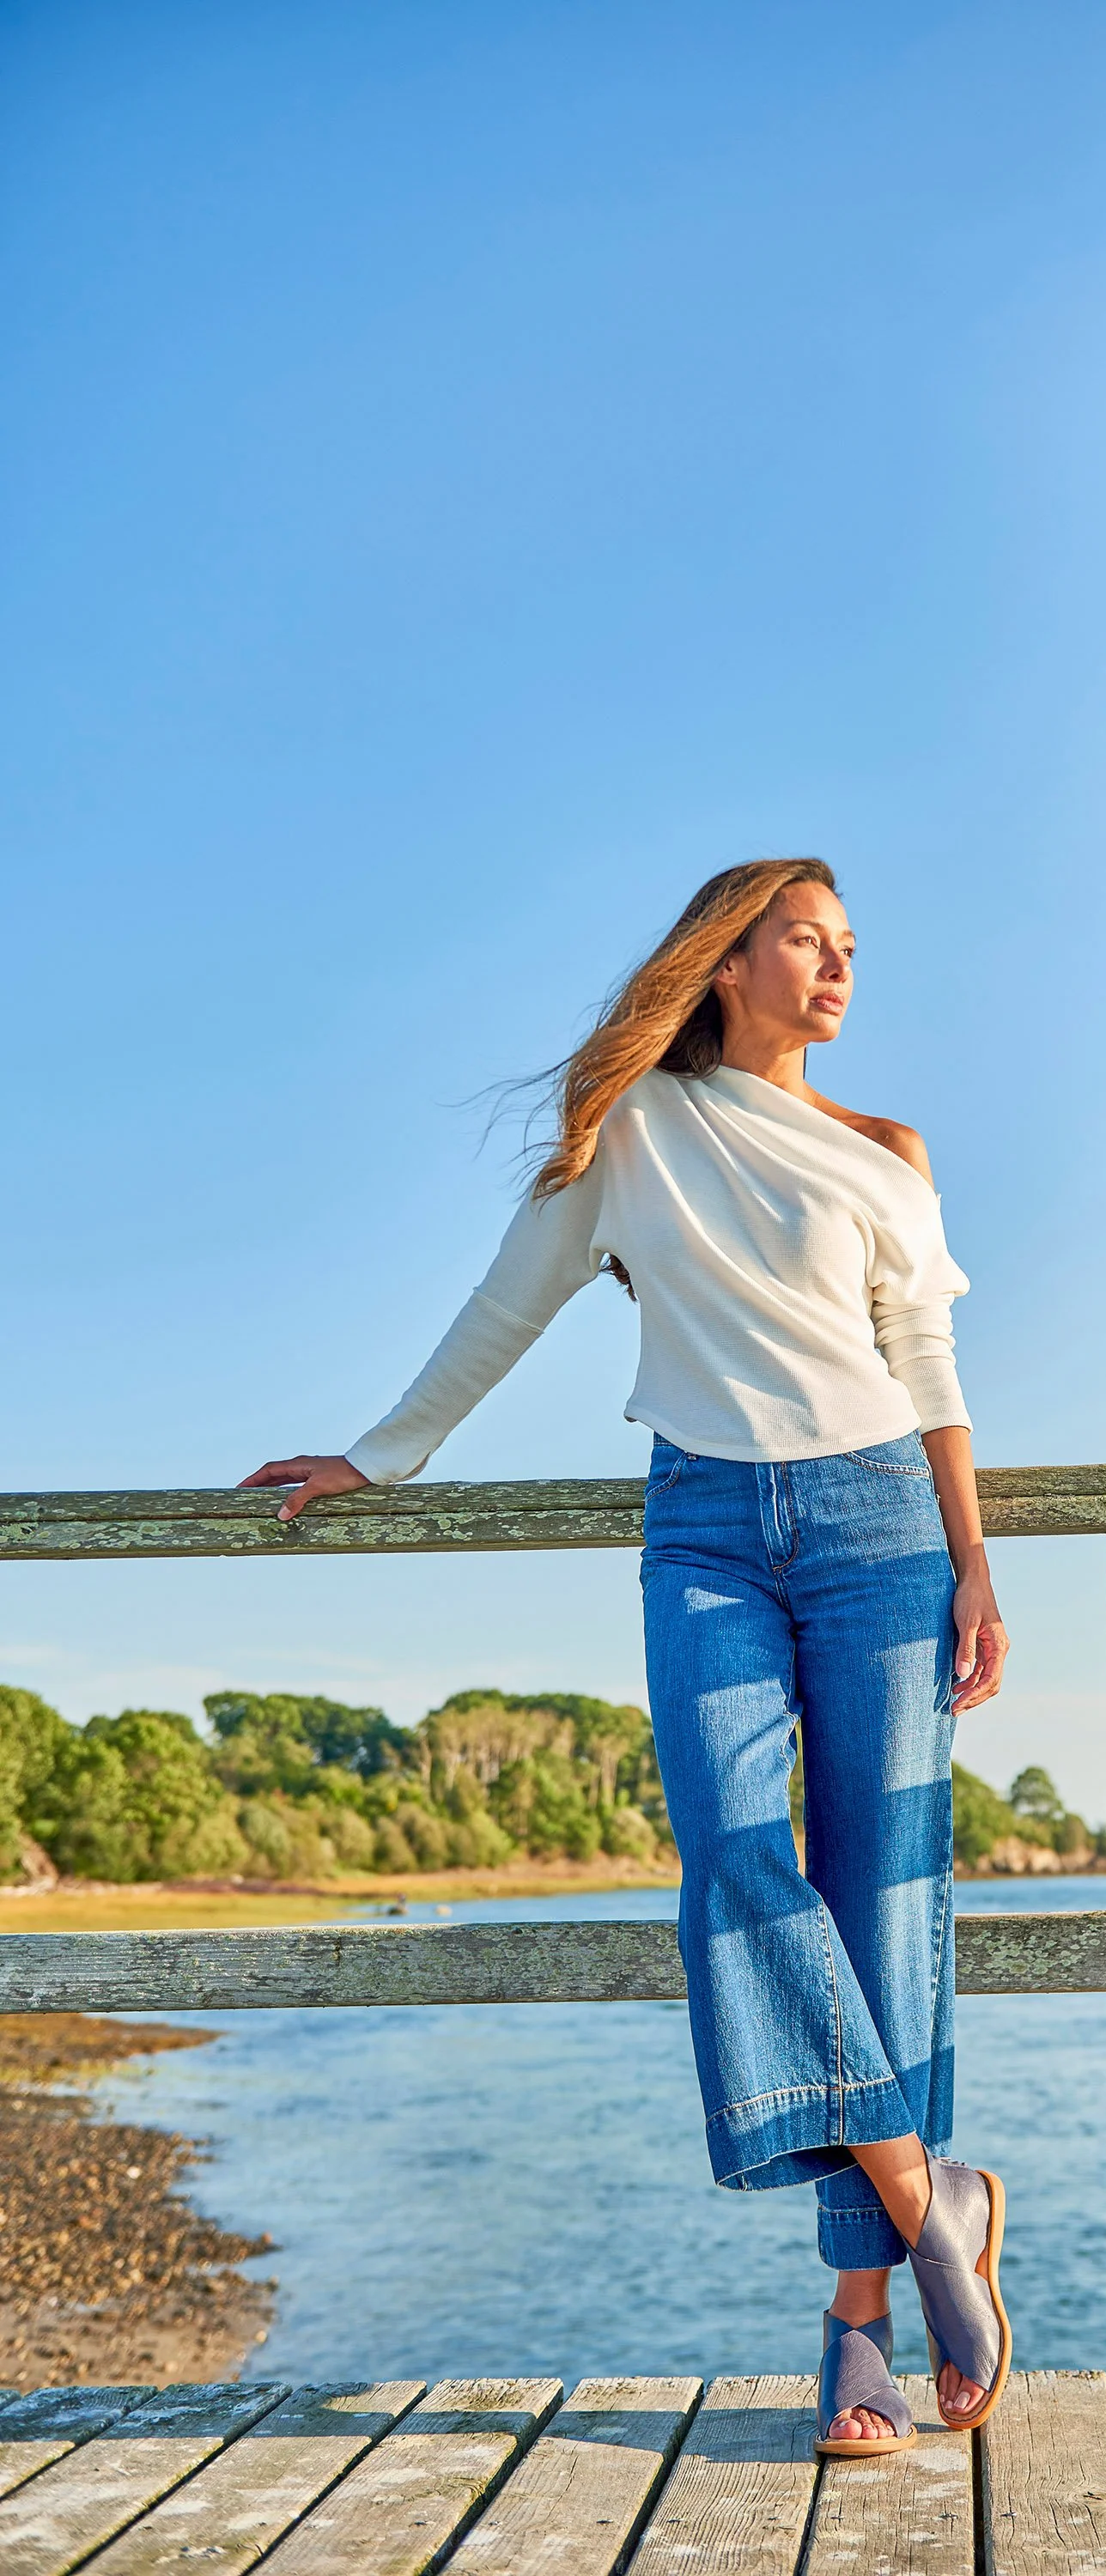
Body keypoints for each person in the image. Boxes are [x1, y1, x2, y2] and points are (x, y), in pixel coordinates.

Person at [243, 858, 1012, 2454]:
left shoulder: (885, 1152)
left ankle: (856, 2320)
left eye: (851, 946)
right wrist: (378, 1458)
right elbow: (501, 1307)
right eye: (806, 939)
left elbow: (926, 1362)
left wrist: (974, 1567)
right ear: (725, 959)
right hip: (707, 1531)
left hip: (882, 1525)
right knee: (735, 1862)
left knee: (883, 1890)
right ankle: (925, 2191)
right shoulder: (629, 1133)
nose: (838, 967)